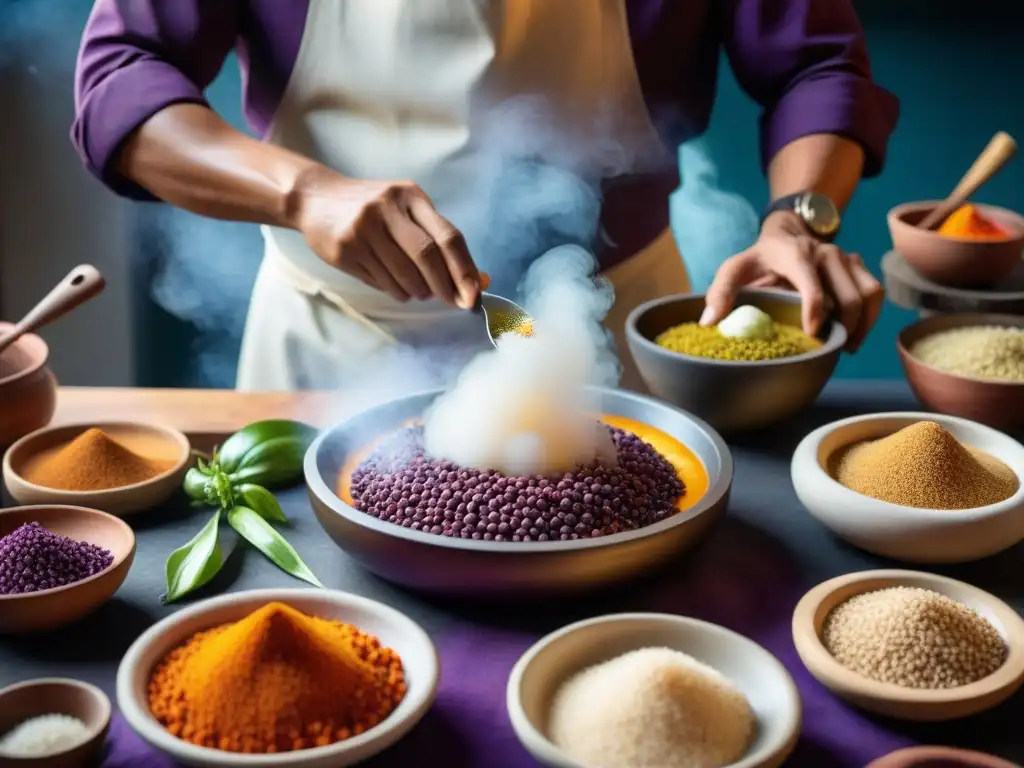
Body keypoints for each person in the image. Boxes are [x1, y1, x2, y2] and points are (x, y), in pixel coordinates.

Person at [72, 0, 898, 393]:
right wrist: (302, 192)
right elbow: (117, 80)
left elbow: (814, 65)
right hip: (329, 350)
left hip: (612, 346)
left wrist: (800, 219)